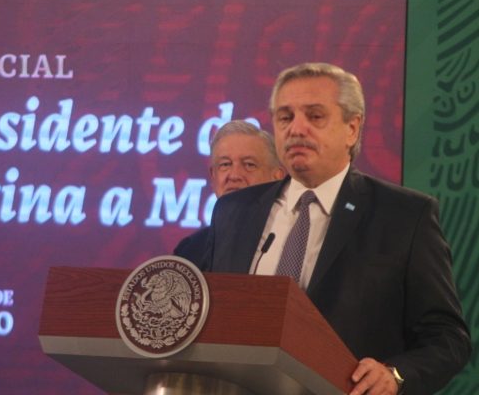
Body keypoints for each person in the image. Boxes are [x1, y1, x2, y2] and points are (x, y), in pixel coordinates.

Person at [201, 63, 471, 395]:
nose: (296, 128)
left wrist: (395, 375)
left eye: (314, 116)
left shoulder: (405, 216)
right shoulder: (234, 211)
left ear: (352, 129)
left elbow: (447, 337)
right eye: (285, 117)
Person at [174, 120, 285, 267]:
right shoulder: (190, 250)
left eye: (249, 164)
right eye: (225, 164)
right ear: (213, 176)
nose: (234, 175)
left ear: (277, 177)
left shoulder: (293, 242)